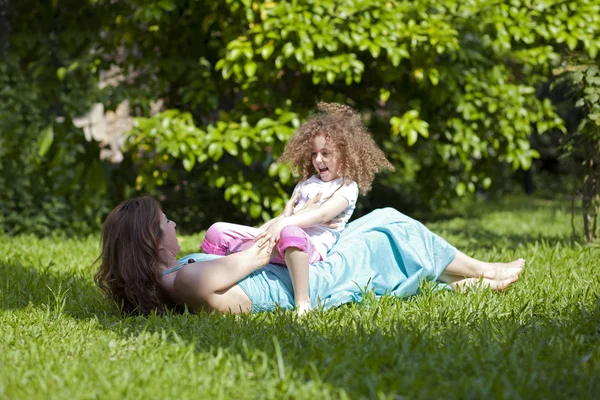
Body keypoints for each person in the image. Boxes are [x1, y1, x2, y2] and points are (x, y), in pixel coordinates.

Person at [94, 197, 525, 315]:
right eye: (166, 223)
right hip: (311, 284)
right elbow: (214, 281)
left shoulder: (172, 275)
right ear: (152, 239)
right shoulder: (181, 281)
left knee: (383, 224)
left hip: (299, 272)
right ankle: (483, 271)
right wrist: (264, 246)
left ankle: (470, 281)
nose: (174, 227)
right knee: (390, 224)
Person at [200, 102, 394, 315]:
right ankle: (207, 275)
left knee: (289, 231)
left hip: (308, 247)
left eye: (326, 153)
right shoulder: (306, 183)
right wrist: (272, 225)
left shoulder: (347, 187)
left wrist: (285, 222)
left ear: (345, 154)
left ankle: (303, 302)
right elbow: (282, 220)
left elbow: (322, 214)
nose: (318, 160)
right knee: (217, 230)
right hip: (280, 239)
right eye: (314, 154)